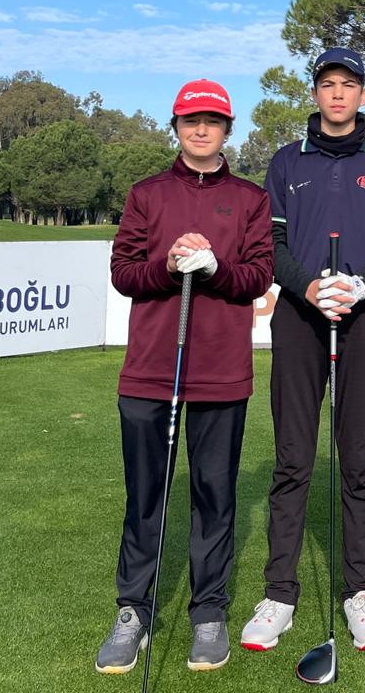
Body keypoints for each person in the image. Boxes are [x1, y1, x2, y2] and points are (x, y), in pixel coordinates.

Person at [94, 79, 274, 675]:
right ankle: (133, 609)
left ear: (227, 130)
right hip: (150, 370)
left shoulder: (250, 199)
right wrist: (168, 265)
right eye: (190, 121)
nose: (201, 130)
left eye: (212, 122)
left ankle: (209, 611)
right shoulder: (147, 194)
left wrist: (216, 267)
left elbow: (257, 276)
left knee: (214, 496)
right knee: (146, 495)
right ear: (175, 127)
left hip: (221, 372)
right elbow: (124, 273)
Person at [240, 47, 365, 653]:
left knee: (359, 458)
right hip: (298, 316)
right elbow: (271, 244)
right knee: (293, 459)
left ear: (363, 94)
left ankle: (360, 590)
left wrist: (361, 283)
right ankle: (280, 592)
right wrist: (308, 287)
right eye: (328, 84)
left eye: (348, 84)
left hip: (362, 316)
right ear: (315, 93)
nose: (338, 94)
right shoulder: (287, 161)